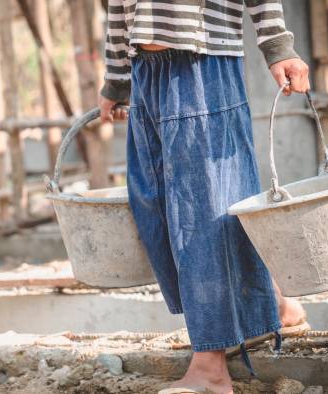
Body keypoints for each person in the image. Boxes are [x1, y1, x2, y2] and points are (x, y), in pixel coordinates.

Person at [98, 1, 310, 393]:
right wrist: (117, 78)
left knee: (197, 212)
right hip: (145, 68)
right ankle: (275, 307)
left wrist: (278, 46)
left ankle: (210, 367)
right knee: (154, 202)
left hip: (202, 63)